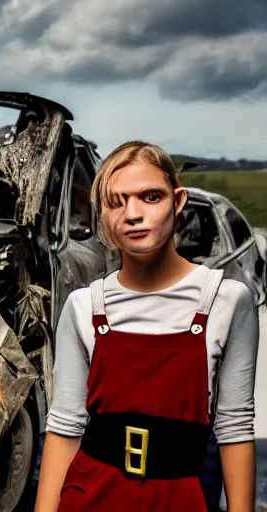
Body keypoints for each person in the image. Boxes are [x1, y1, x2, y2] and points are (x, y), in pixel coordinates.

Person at [35, 141, 259, 512]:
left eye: (150, 197)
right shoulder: (84, 307)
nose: (133, 213)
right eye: (116, 201)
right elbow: (64, 427)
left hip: (180, 499)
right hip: (90, 496)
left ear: (178, 200)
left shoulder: (227, 301)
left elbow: (235, 429)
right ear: (102, 214)